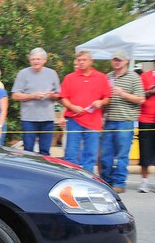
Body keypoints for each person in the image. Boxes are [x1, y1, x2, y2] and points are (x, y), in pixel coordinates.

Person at [99, 50, 144, 193]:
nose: (116, 62)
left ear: (126, 61)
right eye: (114, 59)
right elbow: (103, 97)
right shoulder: (108, 77)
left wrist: (122, 94)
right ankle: (107, 181)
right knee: (105, 155)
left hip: (125, 121)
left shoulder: (134, 77)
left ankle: (119, 183)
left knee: (122, 155)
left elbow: (140, 98)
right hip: (109, 120)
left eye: (119, 59)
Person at [60, 50, 111, 173]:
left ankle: (88, 178)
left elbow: (107, 97)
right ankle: (71, 176)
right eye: (79, 60)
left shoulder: (101, 77)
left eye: (84, 60)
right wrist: (72, 106)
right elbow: (63, 98)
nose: (81, 62)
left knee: (91, 153)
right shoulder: (69, 78)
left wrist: (100, 102)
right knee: (71, 151)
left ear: (91, 61)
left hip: (93, 120)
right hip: (74, 119)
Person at [11, 48, 61, 155]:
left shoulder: (52, 73)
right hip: (29, 119)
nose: (35, 61)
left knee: (45, 151)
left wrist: (51, 95)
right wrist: (33, 96)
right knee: (28, 151)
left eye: (38, 59)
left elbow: (59, 96)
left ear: (44, 60)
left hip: (47, 119)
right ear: (29, 60)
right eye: (33, 59)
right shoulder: (23, 73)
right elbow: (15, 95)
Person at [139, 65, 155, 192]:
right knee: (145, 151)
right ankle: (144, 182)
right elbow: (139, 95)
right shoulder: (145, 76)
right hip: (146, 119)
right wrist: (150, 91)